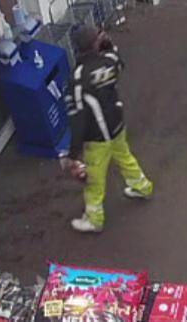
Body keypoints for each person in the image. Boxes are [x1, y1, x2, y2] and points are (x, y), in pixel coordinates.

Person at [59, 25, 154, 233]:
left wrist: (73, 155)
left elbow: (78, 118)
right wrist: (107, 43)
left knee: (93, 179)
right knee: (125, 157)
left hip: (97, 138)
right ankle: (142, 186)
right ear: (96, 42)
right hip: (117, 125)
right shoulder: (110, 62)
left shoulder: (78, 77)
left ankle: (94, 219)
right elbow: (117, 59)